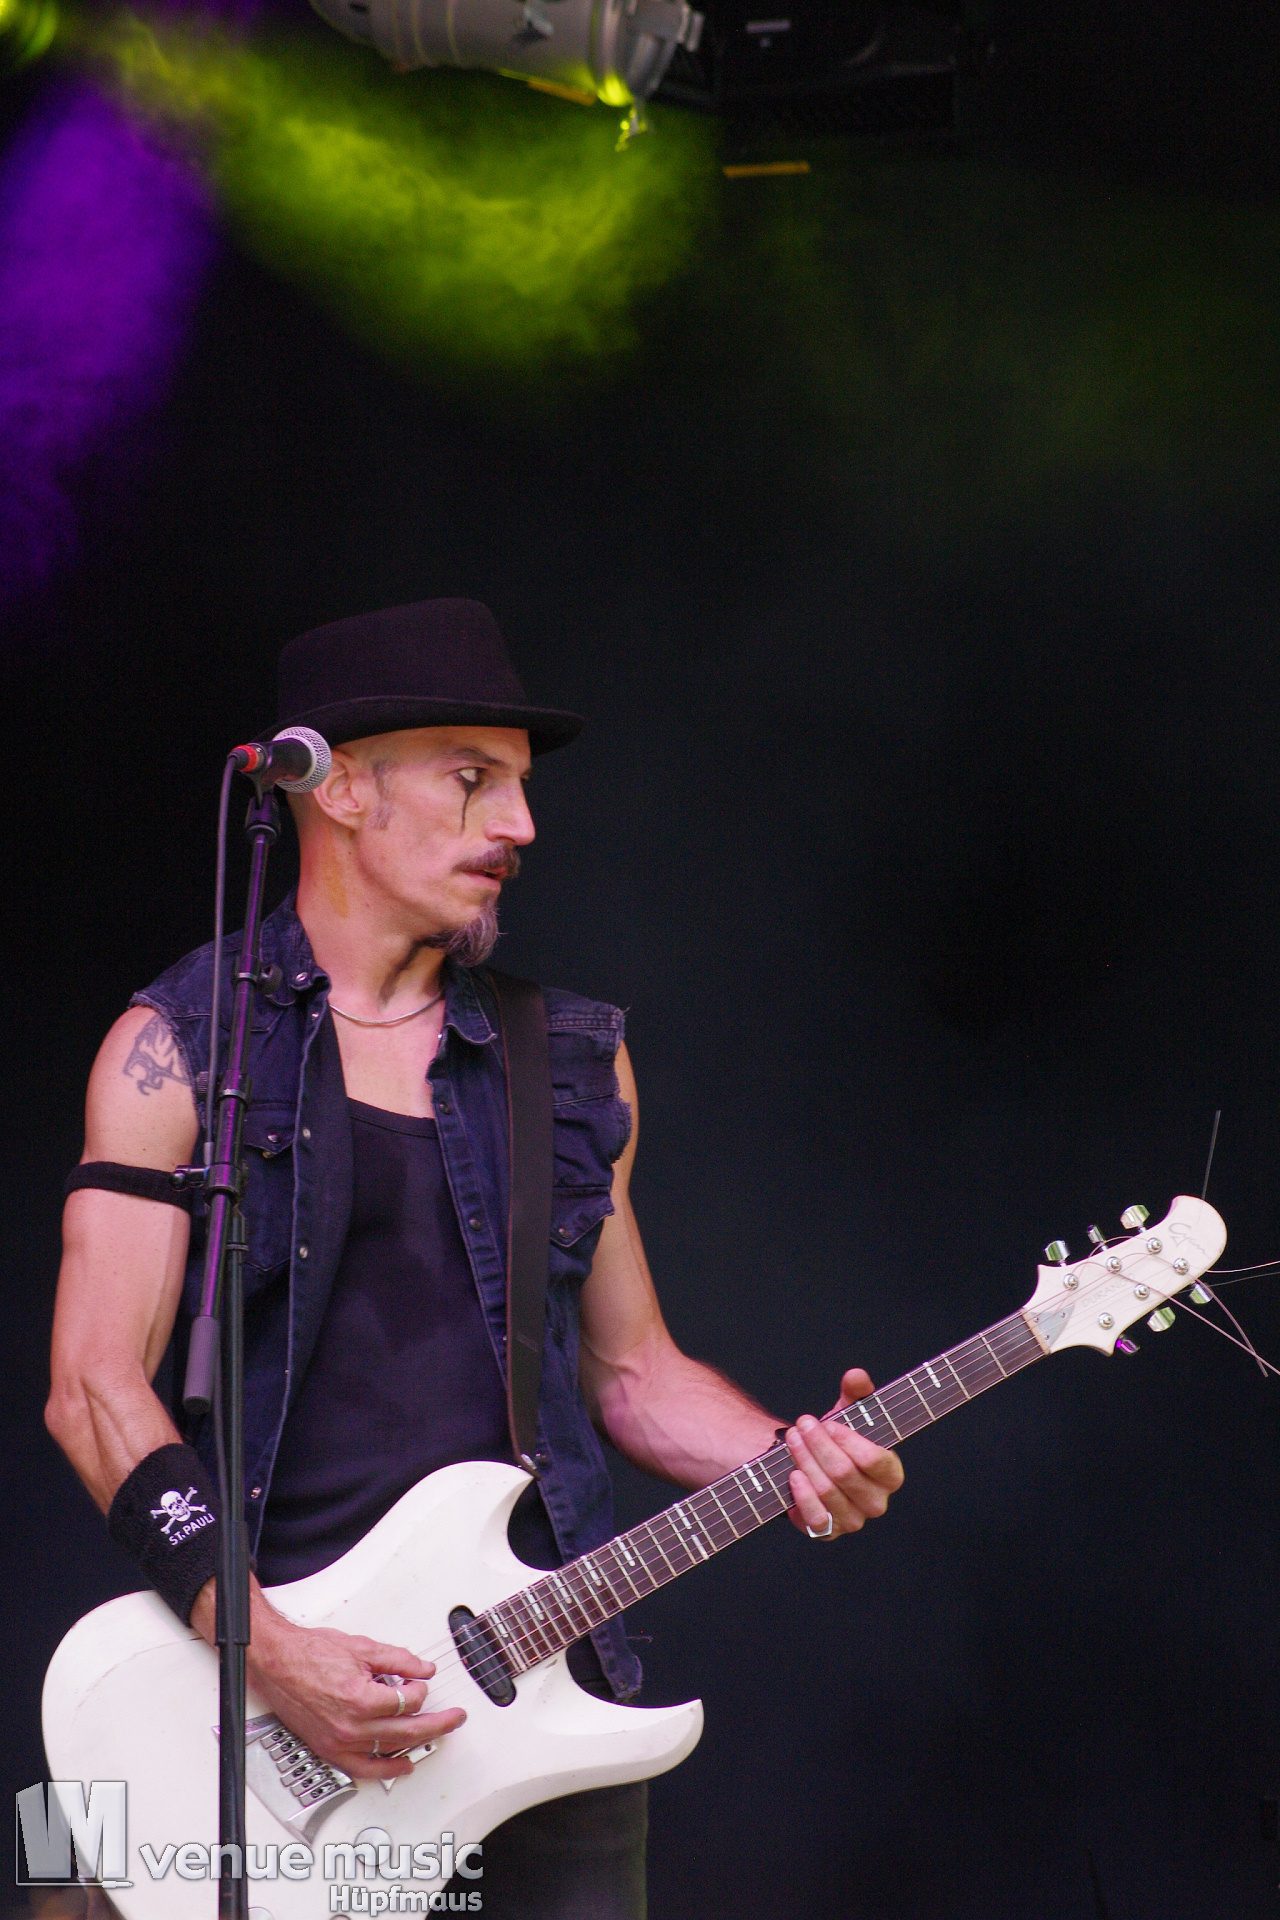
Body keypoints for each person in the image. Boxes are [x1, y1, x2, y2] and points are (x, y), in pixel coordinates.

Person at [46, 598, 904, 1918]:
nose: (521, 825)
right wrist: (270, 1649)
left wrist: (791, 1459)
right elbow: (94, 1389)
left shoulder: (567, 1062)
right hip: (261, 1708)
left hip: (541, 1701)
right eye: (472, 779)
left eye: (520, 785)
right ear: (338, 788)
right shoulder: (180, 1049)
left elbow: (633, 1373)